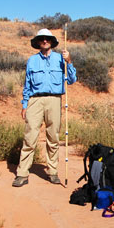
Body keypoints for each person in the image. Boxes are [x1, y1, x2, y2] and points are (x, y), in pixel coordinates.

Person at [13, 28, 77, 187]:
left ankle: (53, 172)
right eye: (42, 39)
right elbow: (27, 84)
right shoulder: (32, 61)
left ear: (52, 42)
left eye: (47, 39)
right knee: (30, 137)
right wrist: (24, 104)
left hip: (54, 100)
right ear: (38, 42)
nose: (45, 41)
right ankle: (22, 174)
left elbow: (72, 80)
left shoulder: (61, 58)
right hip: (35, 101)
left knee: (53, 137)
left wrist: (69, 61)